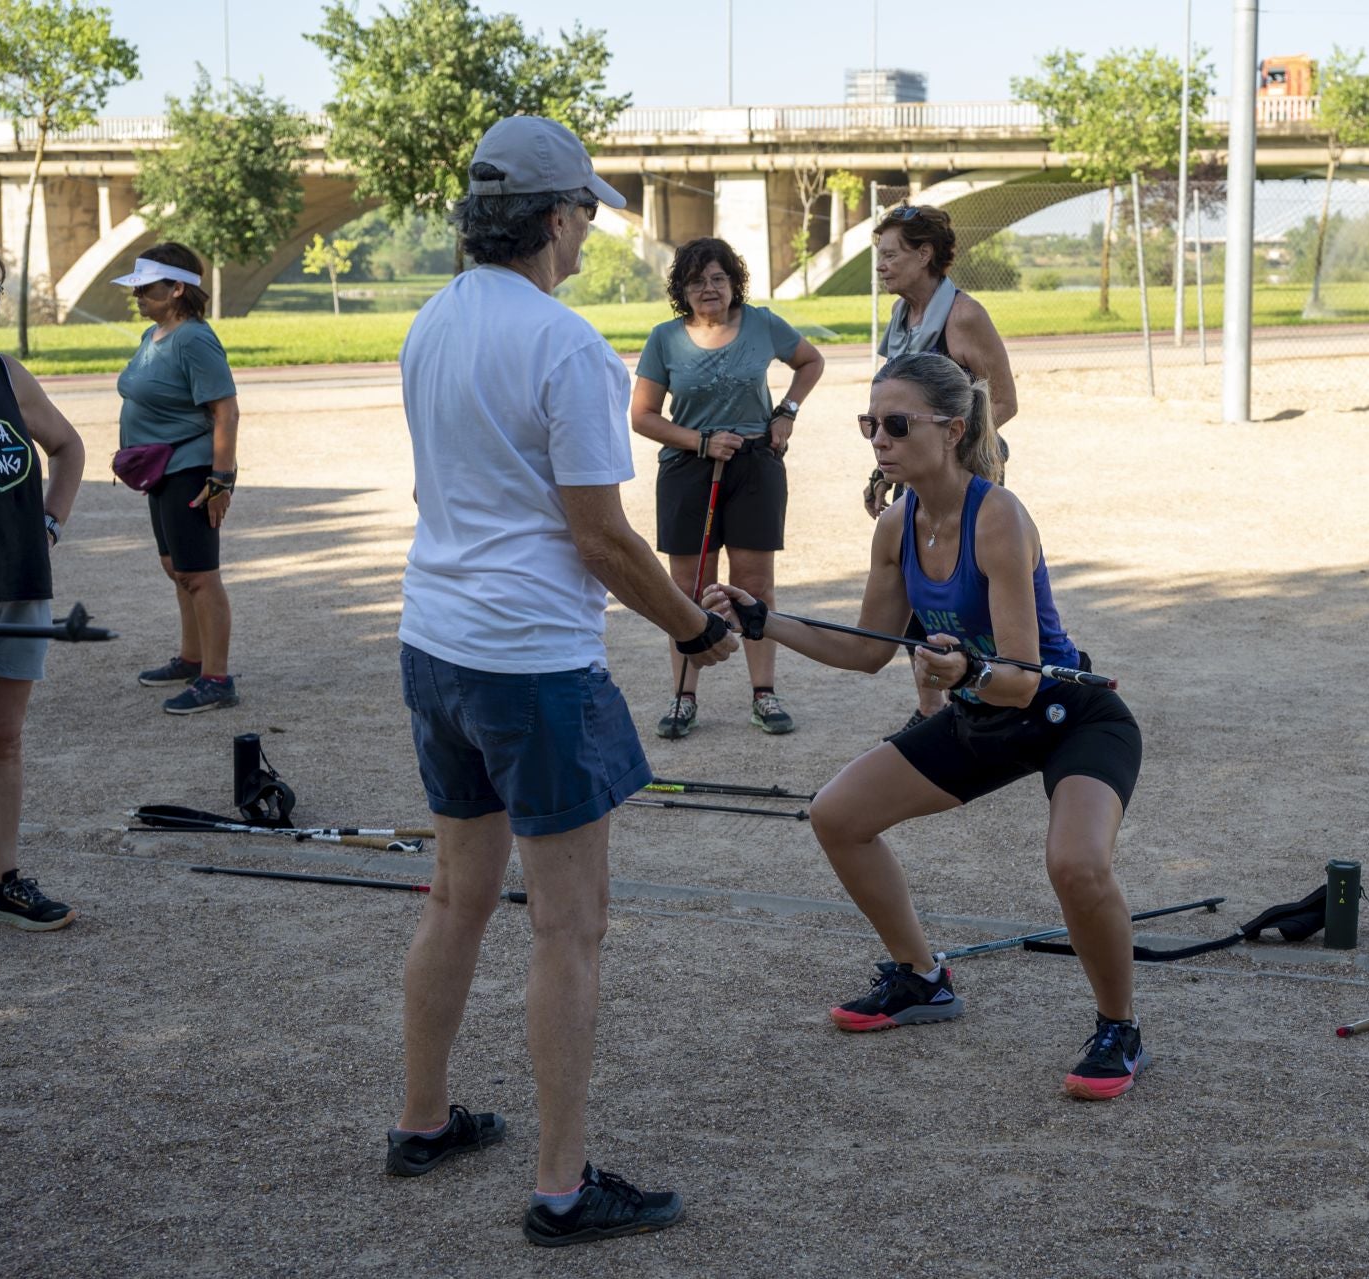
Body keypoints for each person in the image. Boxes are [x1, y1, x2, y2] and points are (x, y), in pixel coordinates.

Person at [391, 115, 738, 1249]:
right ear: (552, 217)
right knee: (569, 926)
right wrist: (693, 626)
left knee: (456, 896)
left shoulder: (432, 321)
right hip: (531, 664)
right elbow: (601, 537)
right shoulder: (568, 345)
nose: (589, 229)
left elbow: (452, 494)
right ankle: (559, 1184)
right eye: (585, 210)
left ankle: (424, 1120)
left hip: (436, 645)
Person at [705, 352, 1147, 1101]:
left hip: (1069, 717)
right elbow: (866, 651)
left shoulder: (998, 516)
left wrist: (966, 671)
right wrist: (763, 620)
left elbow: (1022, 679)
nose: (880, 438)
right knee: (838, 815)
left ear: (952, 429)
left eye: (897, 424)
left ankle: (1119, 1026)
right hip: (983, 717)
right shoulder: (896, 524)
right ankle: (922, 977)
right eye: (870, 423)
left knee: (1076, 865)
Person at [631, 237, 824, 739]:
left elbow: (810, 361)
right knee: (688, 589)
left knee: (754, 586)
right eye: (696, 281)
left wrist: (786, 413)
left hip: (755, 464)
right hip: (687, 469)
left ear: (734, 283)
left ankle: (764, 693)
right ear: (682, 290)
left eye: (718, 278)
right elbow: (643, 417)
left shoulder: (762, 324)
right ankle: (684, 697)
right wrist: (701, 441)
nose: (709, 289)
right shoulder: (665, 339)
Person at [0, 235, 84, 939]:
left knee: (1, 737)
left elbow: (68, 446)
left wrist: (50, 524)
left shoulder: (6, 375)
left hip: (21, 583)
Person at [868, 204, 1019, 734]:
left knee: (972, 597)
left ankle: (993, 701)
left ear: (925, 254)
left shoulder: (963, 315)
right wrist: (884, 472)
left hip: (966, 480)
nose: (881, 265)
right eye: (879, 255)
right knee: (920, 593)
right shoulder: (901, 317)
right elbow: (896, 412)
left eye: (891, 254)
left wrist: (951, 449)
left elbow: (1005, 400)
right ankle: (932, 711)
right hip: (920, 476)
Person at [114, 242, 242, 714]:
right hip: (161, 470)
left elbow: (226, 412)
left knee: (199, 575)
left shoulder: (194, 340)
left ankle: (217, 679)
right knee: (176, 568)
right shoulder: (155, 333)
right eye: (136, 289)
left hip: (191, 470)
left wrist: (221, 481)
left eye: (146, 288)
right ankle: (192, 658)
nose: (137, 296)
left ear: (177, 289)